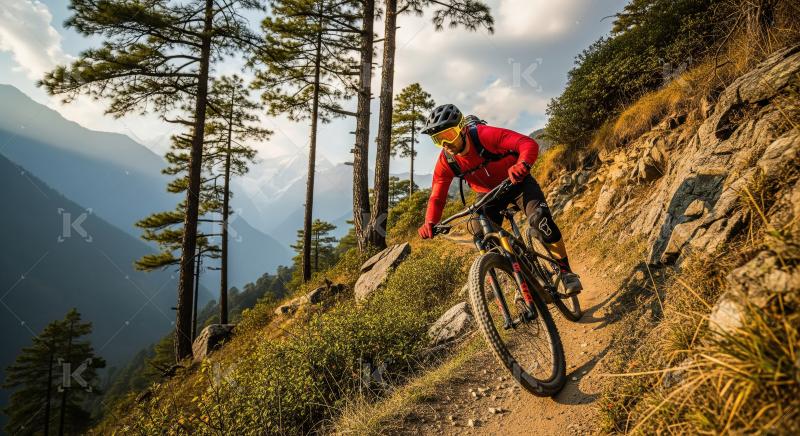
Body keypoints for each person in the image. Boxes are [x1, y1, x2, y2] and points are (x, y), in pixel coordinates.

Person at [416, 103, 582, 294]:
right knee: (483, 239)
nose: (445, 144)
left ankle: (565, 272)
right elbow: (437, 196)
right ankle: (525, 277)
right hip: (488, 195)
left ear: (462, 129)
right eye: (438, 140)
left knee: (540, 220)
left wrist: (522, 164)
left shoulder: (484, 135)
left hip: (517, 182)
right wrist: (430, 222)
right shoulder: (447, 161)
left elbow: (526, 143)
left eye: (449, 135)